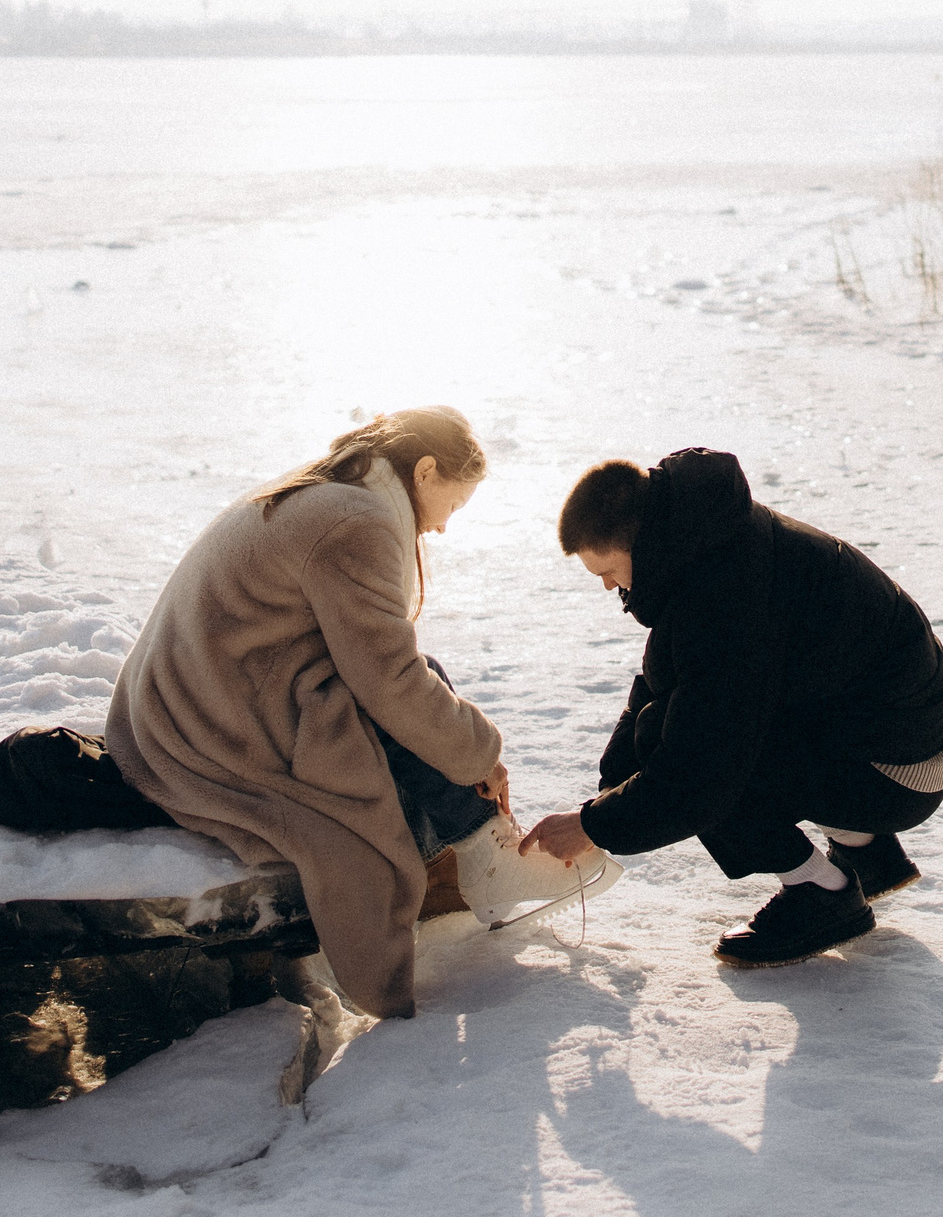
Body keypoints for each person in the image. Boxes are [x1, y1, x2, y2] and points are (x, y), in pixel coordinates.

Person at [102, 407, 587, 1020]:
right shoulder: (353, 522)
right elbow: (389, 682)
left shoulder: (331, 489)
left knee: (423, 679)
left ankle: (476, 850)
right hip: (214, 729)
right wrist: (483, 754)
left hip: (195, 703)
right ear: (428, 471)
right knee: (403, 703)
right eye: (453, 506)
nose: (442, 529)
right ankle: (486, 861)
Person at [521, 448, 943, 967]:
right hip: (898, 735)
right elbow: (663, 681)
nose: (606, 585)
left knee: (694, 756)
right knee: (672, 731)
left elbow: (700, 770)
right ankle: (867, 849)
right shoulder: (706, 541)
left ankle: (821, 891)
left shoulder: (722, 595)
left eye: (608, 569)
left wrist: (596, 826)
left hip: (898, 769)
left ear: (638, 545)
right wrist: (608, 794)